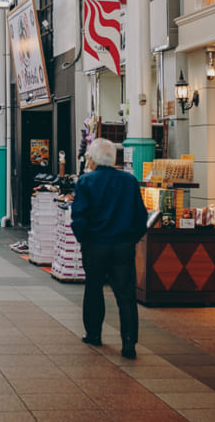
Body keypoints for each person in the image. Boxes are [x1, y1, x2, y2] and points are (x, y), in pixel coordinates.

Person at [70, 138, 148, 360]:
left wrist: (83, 238)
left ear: (93, 159)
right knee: (126, 295)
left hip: (95, 245)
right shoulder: (129, 181)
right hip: (123, 245)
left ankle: (94, 333)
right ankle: (129, 342)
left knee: (93, 290)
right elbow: (140, 216)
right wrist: (132, 238)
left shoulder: (86, 182)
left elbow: (79, 217)